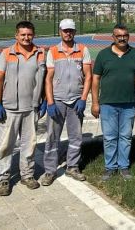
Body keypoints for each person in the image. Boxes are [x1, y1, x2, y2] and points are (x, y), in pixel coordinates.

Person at [0, 21, 47, 196]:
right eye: (22, 34)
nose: (26, 37)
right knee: (6, 145)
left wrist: (44, 99)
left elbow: (45, 79)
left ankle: (27, 175)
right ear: (16, 36)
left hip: (31, 108)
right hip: (9, 108)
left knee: (29, 145)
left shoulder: (40, 53)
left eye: (29, 34)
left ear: (33, 35)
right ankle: (4, 178)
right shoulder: (7, 53)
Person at [41, 18, 92, 186]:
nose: (68, 33)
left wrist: (83, 98)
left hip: (76, 100)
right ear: (60, 31)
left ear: (75, 32)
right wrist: (50, 102)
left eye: (71, 30)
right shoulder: (53, 51)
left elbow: (88, 76)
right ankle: (50, 170)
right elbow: (48, 79)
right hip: (58, 100)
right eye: (65, 30)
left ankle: (73, 166)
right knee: (52, 136)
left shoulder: (83, 50)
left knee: (76, 136)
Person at [91, 24, 135, 181]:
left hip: (129, 103)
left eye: (125, 35)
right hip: (108, 103)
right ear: (113, 37)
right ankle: (110, 167)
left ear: (128, 36)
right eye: (118, 35)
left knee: (126, 136)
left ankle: (124, 166)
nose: (122, 38)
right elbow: (95, 79)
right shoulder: (103, 55)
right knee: (110, 137)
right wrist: (95, 102)